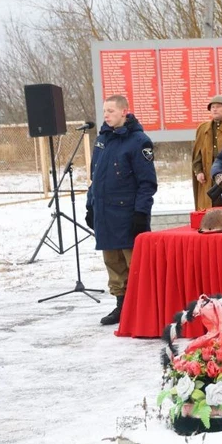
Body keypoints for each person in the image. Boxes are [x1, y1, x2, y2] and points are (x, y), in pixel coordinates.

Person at [85, 95, 158, 326]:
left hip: (128, 214)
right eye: (104, 111)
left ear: (124, 112)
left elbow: (147, 183)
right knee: (113, 263)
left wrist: (140, 213)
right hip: (105, 213)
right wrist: (90, 206)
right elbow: (94, 178)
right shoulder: (102, 140)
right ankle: (121, 305)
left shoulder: (139, 141)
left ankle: (144, 308)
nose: (106, 115)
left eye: (110, 111)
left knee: (135, 264)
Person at [192, 95, 222, 211]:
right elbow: (197, 154)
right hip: (208, 177)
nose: (215, 109)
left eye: (218, 106)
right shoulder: (203, 129)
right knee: (209, 209)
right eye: (212, 107)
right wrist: (199, 171)